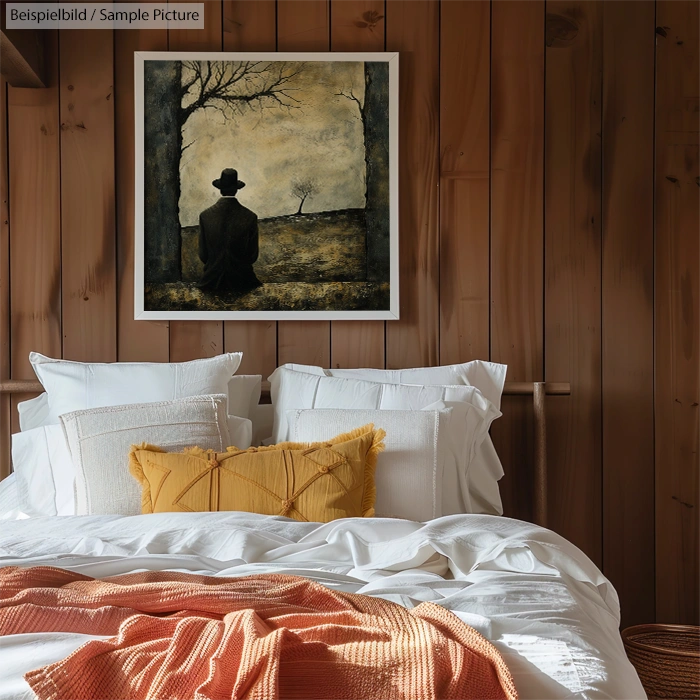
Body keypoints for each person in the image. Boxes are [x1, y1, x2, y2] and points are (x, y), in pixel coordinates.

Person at [198, 169, 262, 292]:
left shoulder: (205, 216)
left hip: (211, 282)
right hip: (243, 282)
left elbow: (203, 255)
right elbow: (252, 256)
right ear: (236, 190)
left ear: (220, 189)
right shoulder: (250, 216)